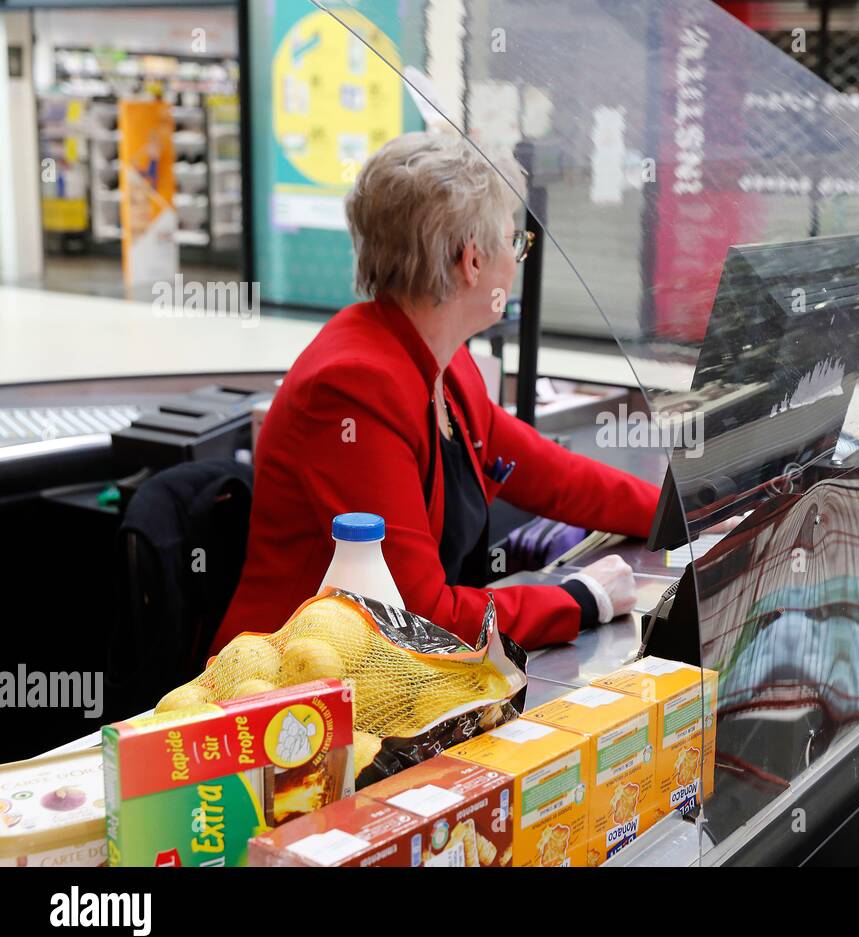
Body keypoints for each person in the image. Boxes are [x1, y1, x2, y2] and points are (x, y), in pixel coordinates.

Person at [215, 132, 657, 654]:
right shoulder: (353, 388)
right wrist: (582, 599)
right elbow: (415, 615)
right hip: (293, 698)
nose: (518, 262)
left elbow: (551, 475)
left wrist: (679, 513)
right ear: (472, 262)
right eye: (515, 243)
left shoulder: (446, 361)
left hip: (384, 682)